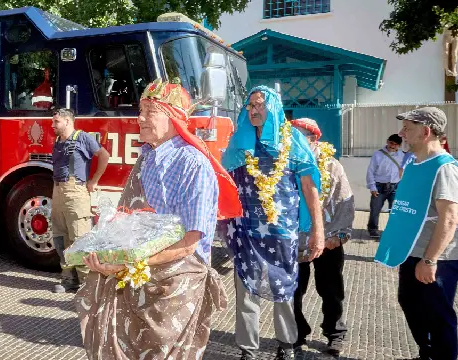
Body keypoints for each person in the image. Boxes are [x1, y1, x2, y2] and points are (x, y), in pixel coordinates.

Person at [75, 78, 241, 359]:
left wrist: (126, 263)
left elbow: (190, 242)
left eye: (150, 111)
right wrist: (107, 251)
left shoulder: (193, 164)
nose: (139, 118)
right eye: (140, 109)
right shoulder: (146, 157)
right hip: (136, 279)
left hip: (175, 287)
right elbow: (127, 219)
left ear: (174, 118)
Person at [221, 86, 325, 360]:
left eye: (260, 105)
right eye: (250, 106)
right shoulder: (239, 140)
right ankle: (248, 349)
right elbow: (226, 183)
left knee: (284, 288)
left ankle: (287, 344)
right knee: (244, 290)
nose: (254, 110)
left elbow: (309, 187)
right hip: (246, 230)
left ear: (274, 108)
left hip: (282, 232)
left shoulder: (292, 141)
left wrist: (318, 230)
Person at [375, 107, 458, 360]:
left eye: (408, 129)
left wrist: (430, 259)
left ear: (425, 132)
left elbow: (450, 218)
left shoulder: (444, 168)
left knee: (438, 315)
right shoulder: (413, 164)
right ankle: (427, 353)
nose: (402, 134)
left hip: (437, 258)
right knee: (410, 304)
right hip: (410, 252)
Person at [290, 118, 355, 357]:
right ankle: (296, 333)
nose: (293, 142)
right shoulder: (284, 164)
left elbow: (344, 201)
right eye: (291, 136)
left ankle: (335, 333)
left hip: (327, 241)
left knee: (331, 291)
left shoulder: (331, 165)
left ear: (314, 138)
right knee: (293, 292)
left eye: (300, 136)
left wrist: (338, 236)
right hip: (295, 242)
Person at [50, 108, 110, 293]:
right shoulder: (58, 141)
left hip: (76, 192)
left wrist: (94, 181)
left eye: (56, 122)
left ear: (68, 121)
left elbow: (104, 156)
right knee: (61, 238)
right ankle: (69, 279)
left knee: (80, 238)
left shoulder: (83, 138)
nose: (53, 125)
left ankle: (88, 284)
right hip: (58, 191)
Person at [366, 134, 405, 238]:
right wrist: (372, 187)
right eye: (391, 143)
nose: (393, 146)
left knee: (395, 210)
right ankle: (373, 230)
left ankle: (394, 230)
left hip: (396, 187)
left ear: (399, 146)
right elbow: (370, 171)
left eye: (396, 144)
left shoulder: (403, 155)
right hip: (379, 187)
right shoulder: (378, 154)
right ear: (387, 141)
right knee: (375, 209)